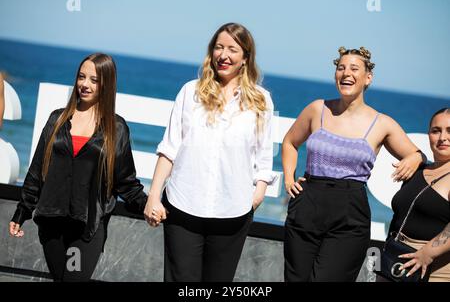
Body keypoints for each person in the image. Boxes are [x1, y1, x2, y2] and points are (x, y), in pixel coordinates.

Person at [144, 22, 276, 282]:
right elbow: (169, 148)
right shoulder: (190, 92)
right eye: (218, 47)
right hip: (182, 207)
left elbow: (263, 155)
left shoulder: (261, 100)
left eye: (232, 49)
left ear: (245, 58)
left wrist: (257, 194)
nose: (223, 55)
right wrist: (153, 196)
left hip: (233, 212)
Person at [282, 46, 426, 282]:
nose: (346, 73)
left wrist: (415, 157)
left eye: (354, 68)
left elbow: (416, 154)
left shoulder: (382, 123)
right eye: (341, 68)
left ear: (368, 77)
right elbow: (289, 142)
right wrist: (289, 178)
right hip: (306, 206)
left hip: (349, 215)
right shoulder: (317, 108)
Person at [8, 53, 147, 282]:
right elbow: (36, 171)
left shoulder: (116, 128)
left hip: (85, 229)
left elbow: (125, 181)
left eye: (94, 80)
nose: (85, 84)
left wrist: (148, 205)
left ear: (106, 84)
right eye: (81, 77)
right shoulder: (58, 119)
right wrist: (22, 211)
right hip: (52, 225)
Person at [381, 107, 450, 282]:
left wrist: (428, 253)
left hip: (433, 268)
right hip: (394, 259)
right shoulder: (418, 169)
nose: (442, 138)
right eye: (436, 131)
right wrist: (419, 156)